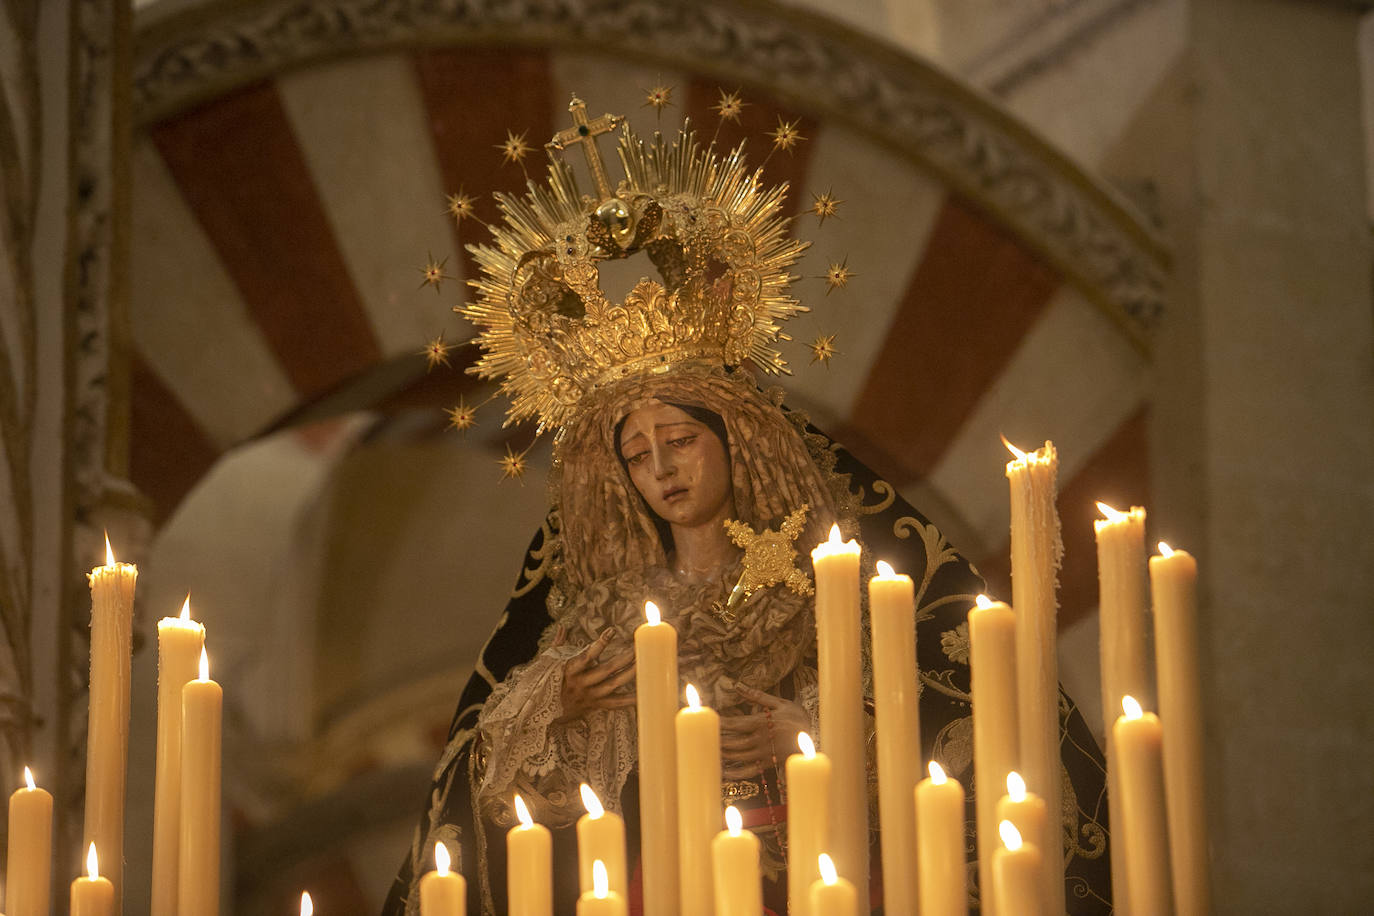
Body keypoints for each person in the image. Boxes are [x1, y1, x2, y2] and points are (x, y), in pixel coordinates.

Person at [384, 102, 1111, 914]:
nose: (660, 469)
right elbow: (512, 799)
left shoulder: (824, 587)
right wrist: (562, 703)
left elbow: (959, 741)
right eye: (636, 454)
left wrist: (820, 738)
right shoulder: (605, 622)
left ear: (735, 441)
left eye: (680, 441)